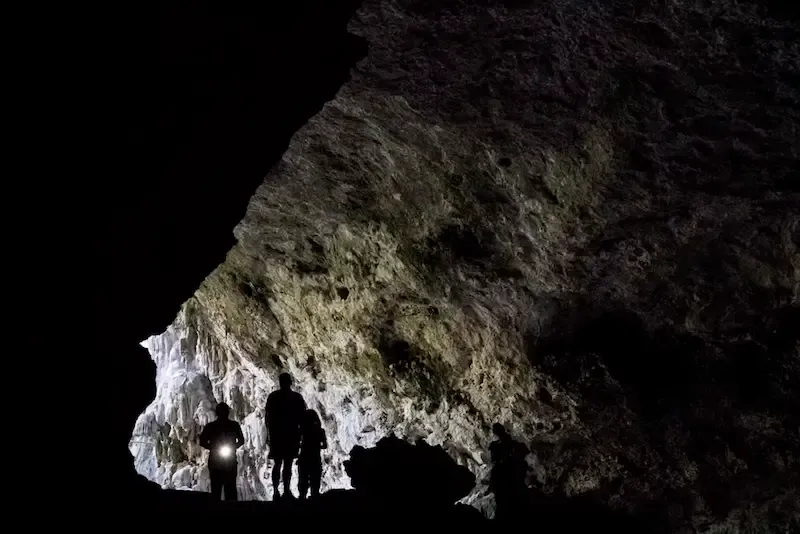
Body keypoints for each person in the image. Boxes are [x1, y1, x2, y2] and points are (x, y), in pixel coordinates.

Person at [265, 372, 307, 499]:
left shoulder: (274, 396)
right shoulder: (296, 397)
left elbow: (269, 417)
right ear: (290, 382)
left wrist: (269, 433)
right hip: (289, 434)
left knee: (281, 463)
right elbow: (302, 416)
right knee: (284, 464)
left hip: (281, 434)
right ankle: (282, 491)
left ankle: (280, 491)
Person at [199, 402, 245, 501]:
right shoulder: (211, 426)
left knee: (231, 486)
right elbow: (202, 441)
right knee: (216, 487)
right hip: (216, 459)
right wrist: (212, 447)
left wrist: (233, 447)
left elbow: (241, 440)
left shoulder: (234, 425)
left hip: (229, 459)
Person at [488, 423, 529, 521]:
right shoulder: (496, 445)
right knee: (503, 498)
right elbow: (493, 460)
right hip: (504, 472)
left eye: (497, 430)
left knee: (507, 497)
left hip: (509, 472)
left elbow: (524, 452)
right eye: (496, 430)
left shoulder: (510, 443)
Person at [298, 409, 327, 500]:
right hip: (315, 458)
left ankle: (302, 498)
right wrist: (317, 446)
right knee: (315, 479)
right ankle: (315, 498)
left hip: (304, 458)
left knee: (303, 479)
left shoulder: (303, 431)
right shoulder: (320, 431)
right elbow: (324, 446)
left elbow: (297, 443)